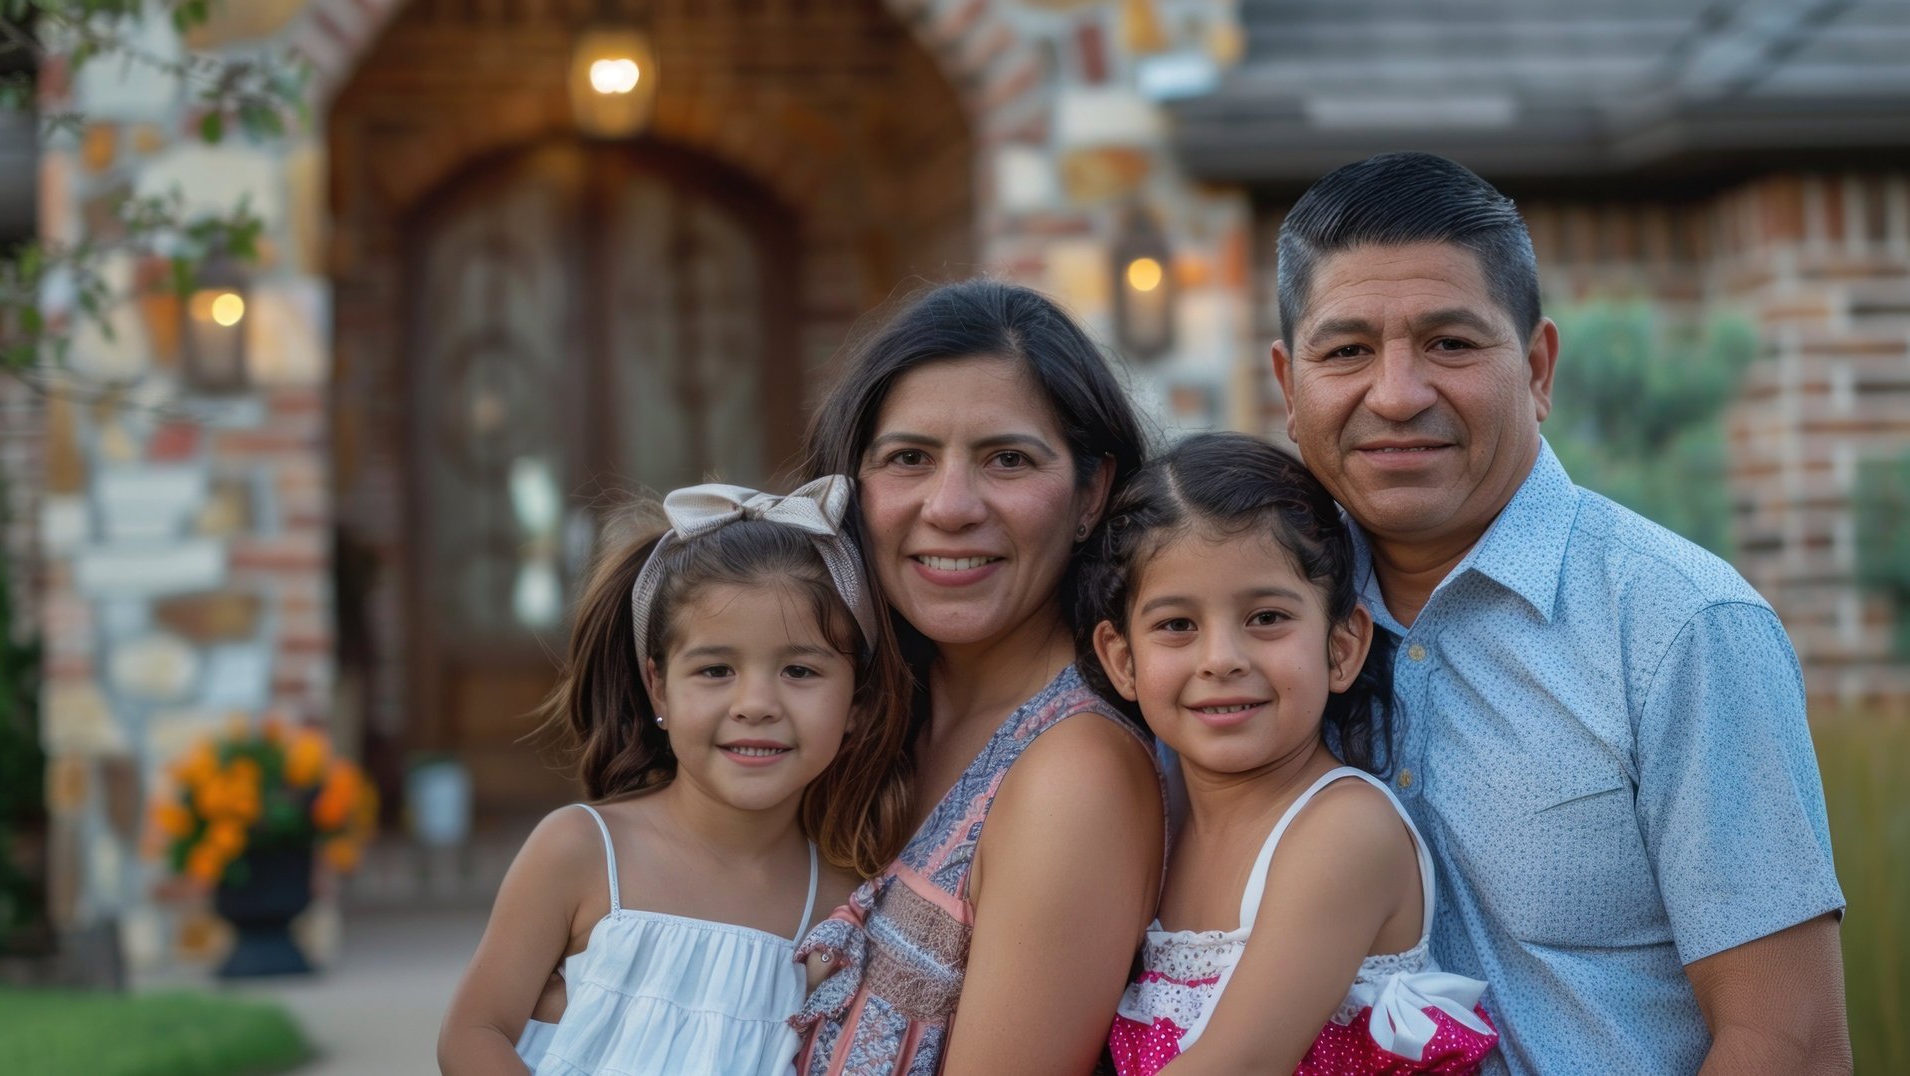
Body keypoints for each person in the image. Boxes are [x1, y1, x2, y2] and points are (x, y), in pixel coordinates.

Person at [1270, 151, 1849, 1074]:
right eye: (1346, 351)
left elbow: (1790, 1045)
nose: (1397, 393)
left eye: (1451, 344)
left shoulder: (1682, 627)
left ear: (1538, 367)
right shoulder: (1252, 631)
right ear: (1287, 388)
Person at [790, 280, 1166, 1074]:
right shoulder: (851, 709)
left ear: (1091, 492)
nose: (951, 506)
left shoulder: (1075, 774)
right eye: (909, 459)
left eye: (1007, 459)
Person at [437, 477, 912, 1075]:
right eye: (715, 670)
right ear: (658, 686)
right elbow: (472, 1033)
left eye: (798, 670)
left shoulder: (842, 902)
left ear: (858, 703)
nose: (755, 703)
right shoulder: (582, 850)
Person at [1083, 432, 1498, 1075]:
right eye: (1176, 626)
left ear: (1340, 647)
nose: (1221, 659)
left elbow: (1235, 1064)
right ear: (1122, 659)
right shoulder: (1156, 822)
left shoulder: (1343, 831)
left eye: (1267, 617)